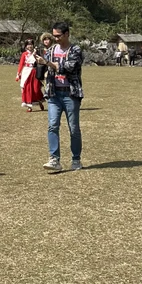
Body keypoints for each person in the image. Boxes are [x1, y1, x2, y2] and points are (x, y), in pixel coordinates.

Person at [41, 22, 84, 172]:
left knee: (73, 128)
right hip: (53, 94)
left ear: (67, 34)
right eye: (54, 35)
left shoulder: (75, 50)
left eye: (58, 35)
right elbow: (45, 68)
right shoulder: (51, 50)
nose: (55, 38)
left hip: (70, 94)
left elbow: (69, 67)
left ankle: (76, 159)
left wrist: (48, 63)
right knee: (52, 125)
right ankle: (54, 159)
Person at [16, 39, 45, 112]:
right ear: (26, 46)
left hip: (34, 71)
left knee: (36, 88)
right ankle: (29, 106)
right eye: (28, 44)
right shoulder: (24, 54)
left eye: (31, 44)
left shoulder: (36, 53)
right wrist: (18, 73)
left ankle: (39, 101)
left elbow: (41, 61)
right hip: (26, 71)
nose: (30, 46)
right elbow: (21, 64)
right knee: (27, 88)